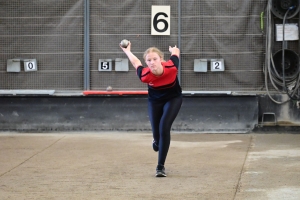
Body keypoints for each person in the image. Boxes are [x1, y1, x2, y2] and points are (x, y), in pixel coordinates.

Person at [120, 41, 183, 177]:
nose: (152, 62)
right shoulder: (144, 75)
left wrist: (174, 49)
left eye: (155, 59)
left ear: (161, 60)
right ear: (146, 63)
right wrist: (127, 51)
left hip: (173, 99)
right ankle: (156, 140)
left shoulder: (172, 67)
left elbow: (176, 54)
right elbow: (135, 62)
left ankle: (160, 167)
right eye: (149, 60)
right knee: (156, 133)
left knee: (164, 127)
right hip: (155, 101)